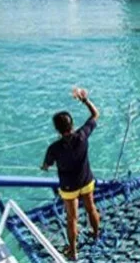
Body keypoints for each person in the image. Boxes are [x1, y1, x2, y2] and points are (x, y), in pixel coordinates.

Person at [41, 87, 101, 260]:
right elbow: (95, 114)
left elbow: (47, 165)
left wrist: (44, 166)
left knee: (72, 218)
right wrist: (85, 100)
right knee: (91, 208)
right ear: (72, 124)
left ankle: (73, 251)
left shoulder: (54, 148)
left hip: (69, 187)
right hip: (86, 181)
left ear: (57, 129)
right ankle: (96, 234)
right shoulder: (82, 136)